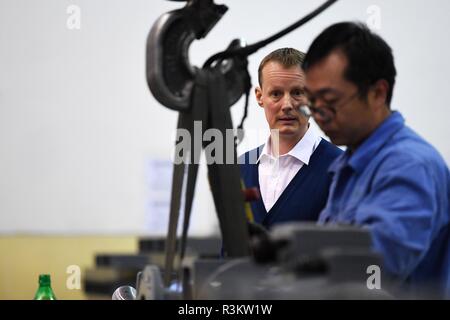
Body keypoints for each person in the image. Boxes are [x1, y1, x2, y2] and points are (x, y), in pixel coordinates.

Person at [302, 22, 450, 298]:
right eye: (311, 104)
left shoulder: (409, 166)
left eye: (329, 101)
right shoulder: (353, 161)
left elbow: (373, 273)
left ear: (378, 93)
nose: (320, 116)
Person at [240, 48, 342, 230]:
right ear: (259, 96)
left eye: (297, 92)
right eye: (276, 94)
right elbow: (228, 251)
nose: (287, 105)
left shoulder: (341, 170)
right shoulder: (239, 169)